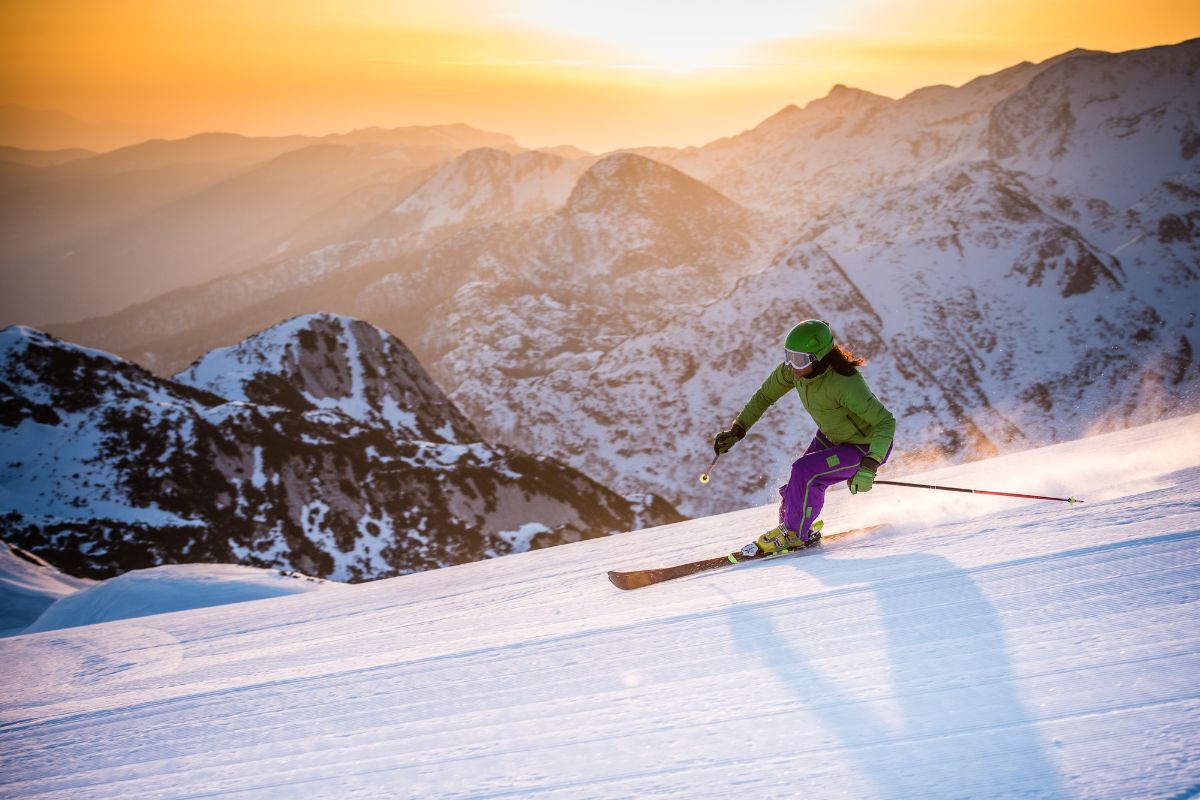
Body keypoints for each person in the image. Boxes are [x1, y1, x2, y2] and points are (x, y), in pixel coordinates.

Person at [713, 319, 896, 554]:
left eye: (798, 359)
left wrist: (870, 465)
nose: (791, 365)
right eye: (788, 356)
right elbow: (764, 396)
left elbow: (885, 422)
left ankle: (793, 533)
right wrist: (738, 430)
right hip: (833, 437)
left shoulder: (845, 383)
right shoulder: (794, 372)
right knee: (796, 487)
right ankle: (791, 529)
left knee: (805, 471)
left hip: (864, 446)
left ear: (818, 358)